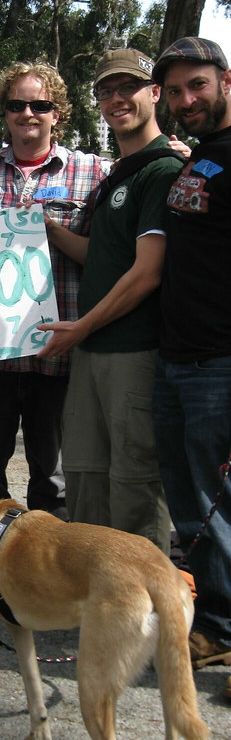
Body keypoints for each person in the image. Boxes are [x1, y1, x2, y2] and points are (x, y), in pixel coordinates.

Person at [37, 48, 186, 554]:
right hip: (93, 353)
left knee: (135, 479)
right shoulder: (116, 175)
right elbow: (102, 256)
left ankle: (141, 604)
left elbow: (146, 274)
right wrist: (49, 230)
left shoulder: (163, 171)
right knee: (85, 474)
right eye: (106, 91)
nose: (117, 98)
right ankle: (92, 592)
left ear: (154, 93)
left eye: (129, 87)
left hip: (133, 352)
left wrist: (80, 327)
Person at [0, 59, 110, 517]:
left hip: (58, 358)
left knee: (55, 483)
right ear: (5, 112)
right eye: (17, 104)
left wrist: (183, 158)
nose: (28, 113)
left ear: (57, 112)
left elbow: (104, 255)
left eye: (40, 104)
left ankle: (49, 581)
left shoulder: (93, 172)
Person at [150, 36, 231, 674]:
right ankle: (213, 624)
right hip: (177, 359)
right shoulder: (200, 158)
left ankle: (225, 625)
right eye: (175, 91)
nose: (186, 100)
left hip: (220, 364)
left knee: (218, 503)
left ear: (226, 81)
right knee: (191, 505)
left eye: (198, 86)